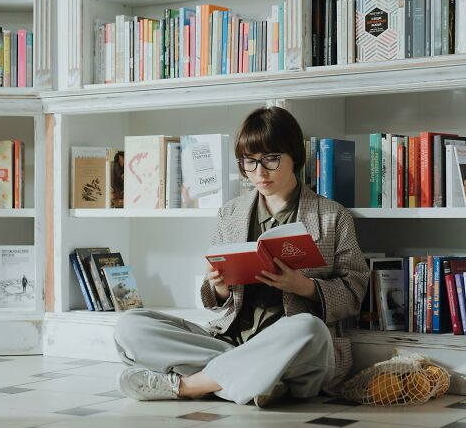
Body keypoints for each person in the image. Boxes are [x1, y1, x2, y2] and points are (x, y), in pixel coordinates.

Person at [114, 106, 369, 407]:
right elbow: (214, 299)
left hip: (295, 345)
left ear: (295, 157)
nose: (259, 173)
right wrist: (219, 285)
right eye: (249, 161)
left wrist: (304, 287)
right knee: (130, 325)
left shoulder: (332, 216)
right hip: (229, 339)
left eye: (271, 159)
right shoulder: (231, 213)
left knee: (308, 329)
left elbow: (355, 293)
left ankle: (188, 386)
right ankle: (257, 377)